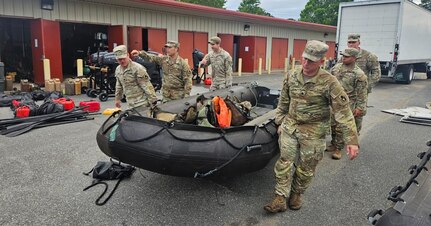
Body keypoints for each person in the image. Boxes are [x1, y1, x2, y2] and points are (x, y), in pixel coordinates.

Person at [264, 40, 359, 213]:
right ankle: (280, 197)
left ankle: (297, 193)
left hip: (314, 131)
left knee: (306, 168)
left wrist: (351, 140)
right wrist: (280, 121)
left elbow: (343, 112)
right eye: (304, 59)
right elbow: (283, 102)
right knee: (284, 162)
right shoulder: (291, 75)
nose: (306, 64)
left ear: (322, 61)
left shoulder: (329, 82)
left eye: (312, 61)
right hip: (290, 127)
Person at [328, 48, 368, 160]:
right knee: (332, 124)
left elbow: (362, 93)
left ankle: (338, 148)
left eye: (347, 56)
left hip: (348, 103)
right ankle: (333, 143)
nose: (343, 58)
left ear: (354, 58)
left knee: (341, 126)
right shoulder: (336, 68)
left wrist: (360, 108)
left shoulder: (359, 74)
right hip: (334, 102)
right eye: (343, 56)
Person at [113, 45, 157, 110]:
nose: (122, 61)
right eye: (119, 59)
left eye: (123, 58)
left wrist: (153, 101)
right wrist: (117, 99)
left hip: (142, 103)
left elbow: (146, 85)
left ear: (128, 55)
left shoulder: (137, 68)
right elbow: (119, 85)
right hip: (130, 104)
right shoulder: (118, 69)